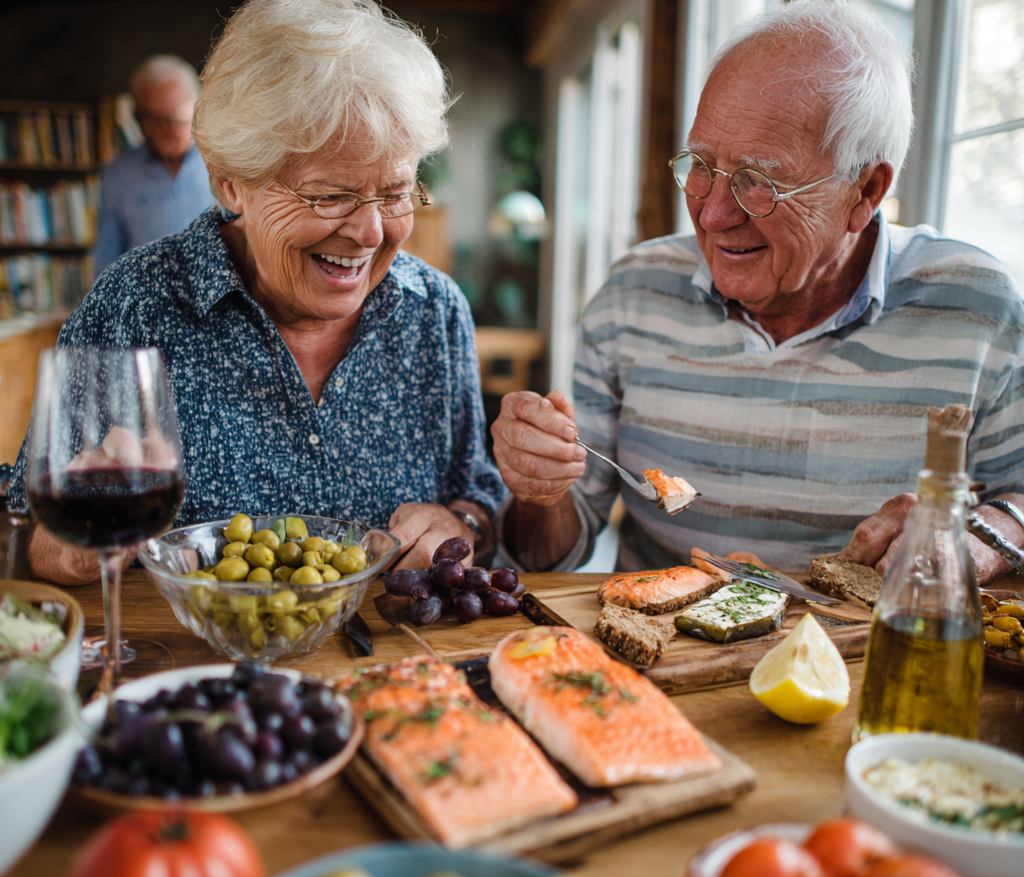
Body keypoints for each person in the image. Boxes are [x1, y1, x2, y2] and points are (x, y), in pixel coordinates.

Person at [493, 0, 1024, 584]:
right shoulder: (633, 295)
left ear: (865, 191)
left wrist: (979, 542)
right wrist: (539, 494)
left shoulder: (977, 308)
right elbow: (550, 556)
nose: (714, 215)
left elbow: (1018, 496)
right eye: (702, 163)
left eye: (759, 181)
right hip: (661, 656)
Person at [8, 0, 504, 585]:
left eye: (395, 193)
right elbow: (21, 536)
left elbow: (476, 497)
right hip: (194, 670)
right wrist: (68, 549)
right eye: (330, 195)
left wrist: (462, 522)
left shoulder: (435, 311)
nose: (371, 233)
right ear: (230, 183)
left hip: (396, 670)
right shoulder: (132, 304)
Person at [92, 55, 216, 273]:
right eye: (153, 119)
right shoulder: (118, 175)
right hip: (147, 302)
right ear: (138, 117)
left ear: (198, 109)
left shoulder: (226, 164)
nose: (165, 129)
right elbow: (107, 255)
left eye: (175, 117)